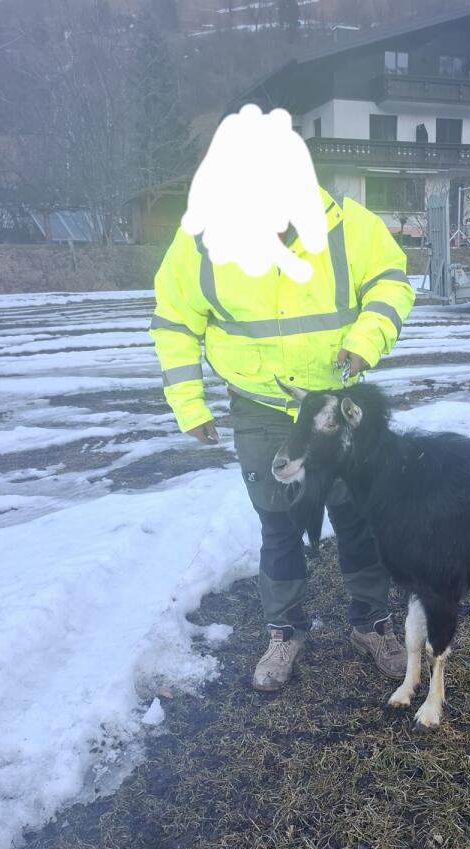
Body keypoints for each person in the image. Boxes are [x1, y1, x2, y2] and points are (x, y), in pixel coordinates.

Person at [149, 185, 415, 692]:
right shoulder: (201, 238)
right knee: (278, 523)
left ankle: (371, 625)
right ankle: (285, 632)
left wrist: (364, 342)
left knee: (359, 519)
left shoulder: (347, 225)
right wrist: (188, 401)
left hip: (339, 405)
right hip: (261, 408)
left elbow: (392, 283)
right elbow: (175, 320)